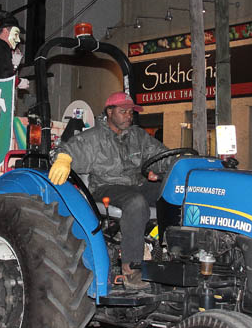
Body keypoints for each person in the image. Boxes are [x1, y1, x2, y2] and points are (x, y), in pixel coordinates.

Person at [48, 91, 169, 290]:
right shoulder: (94, 138)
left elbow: (161, 154)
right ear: (109, 112)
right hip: (106, 187)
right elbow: (67, 150)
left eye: (131, 112)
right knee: (136, 202)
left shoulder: (138, 136)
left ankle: (172, 254)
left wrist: (171, 166)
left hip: (136, 184)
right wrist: (63, 159)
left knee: (173, 192)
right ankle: (131, 270)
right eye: (123, 111)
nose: (129, 116)